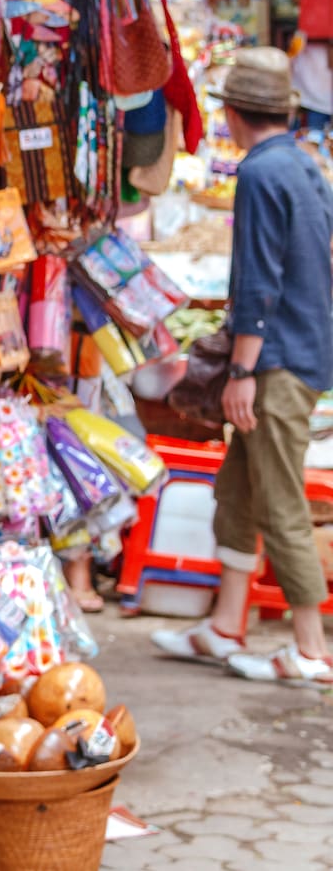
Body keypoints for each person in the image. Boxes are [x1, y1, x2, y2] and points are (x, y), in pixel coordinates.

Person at [152, 46, 333, 683]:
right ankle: (228, 624)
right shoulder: (305, 164)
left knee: (279, 498)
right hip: (306, 351)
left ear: (230, 114)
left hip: (277, 362)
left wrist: (243, 371)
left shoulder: (260, 174)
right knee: (238, 487)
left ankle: (309, 646)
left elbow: (257, 282)